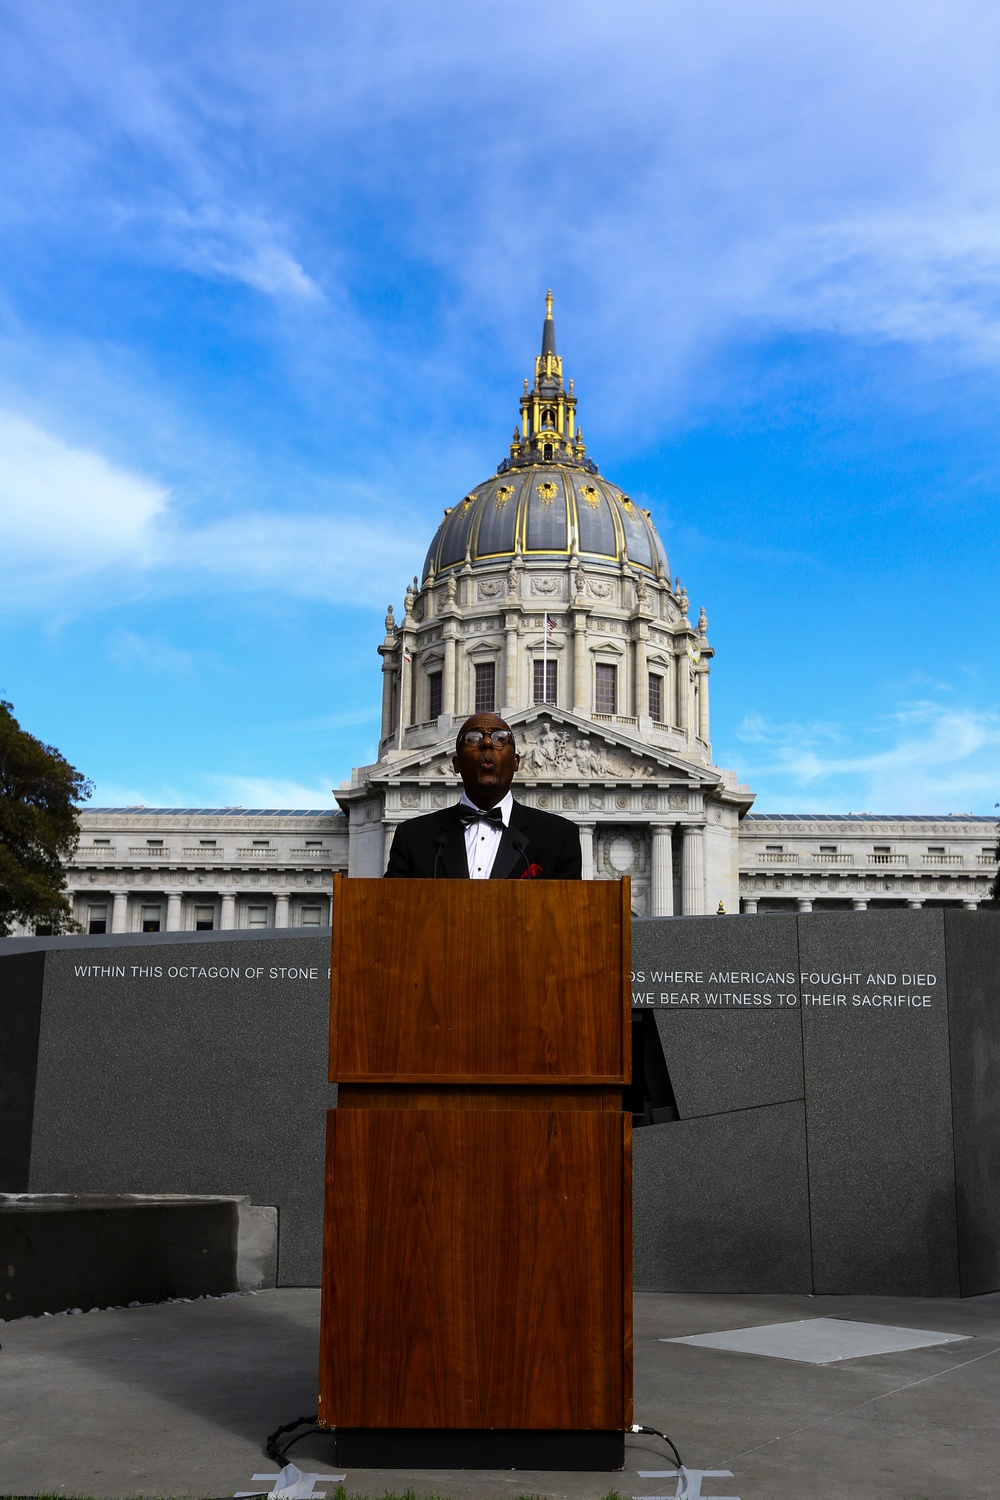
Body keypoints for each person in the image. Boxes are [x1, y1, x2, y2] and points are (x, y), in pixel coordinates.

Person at [384, 712, 582, 879]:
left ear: (516, 762)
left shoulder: (559, 837)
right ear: (455, 764)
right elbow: (390, 915)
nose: (487, 743)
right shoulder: (414, 838)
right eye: (473, 738)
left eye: (500, 738)